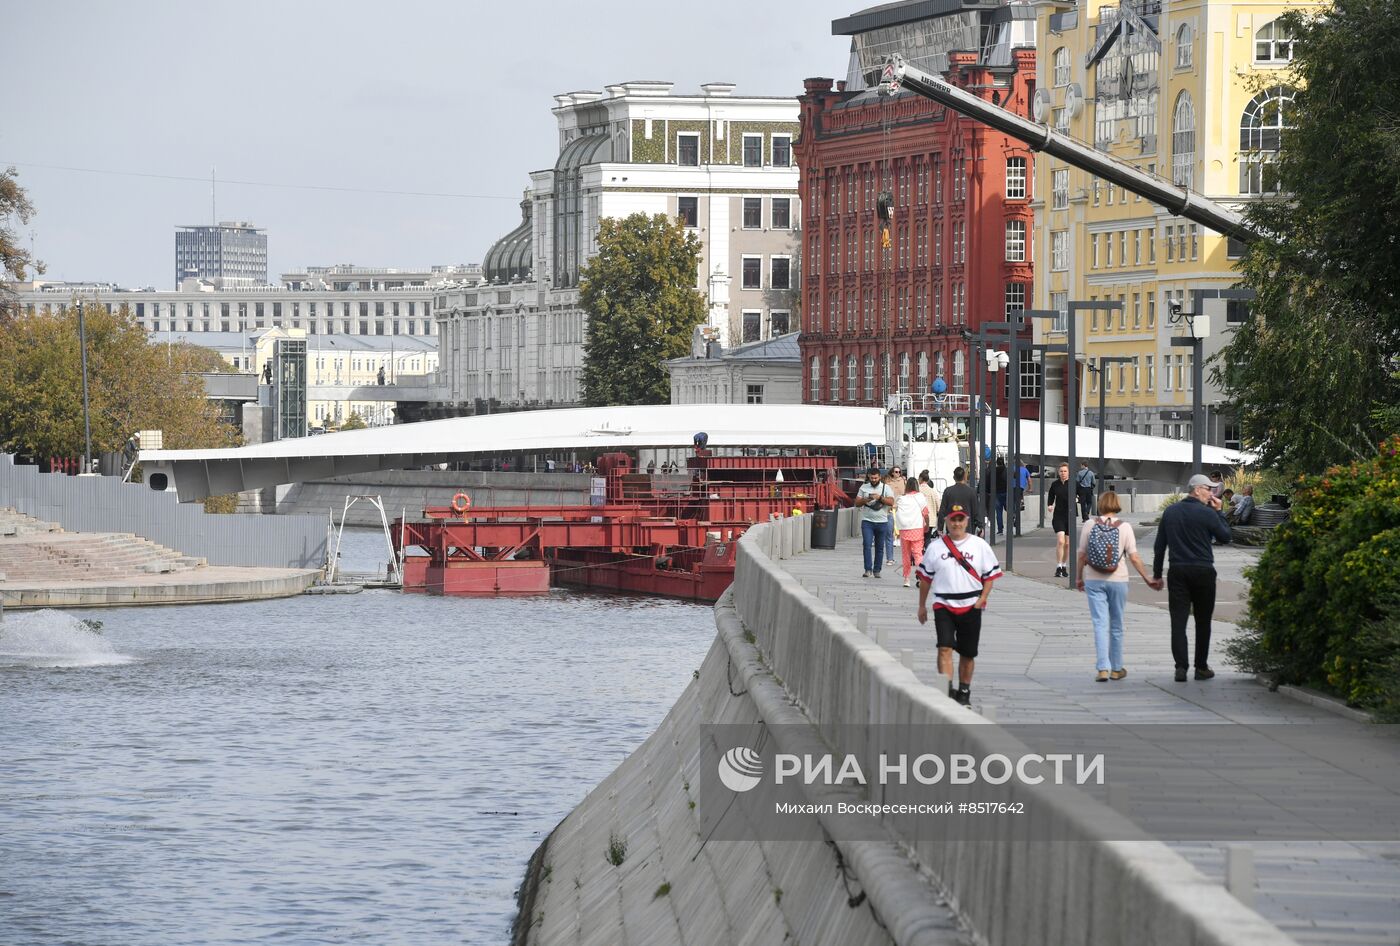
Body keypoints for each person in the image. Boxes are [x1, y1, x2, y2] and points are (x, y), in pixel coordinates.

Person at [916, 503, 1002, 706]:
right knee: (944, 647)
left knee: (967, 652)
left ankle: (964, 691)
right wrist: (922, 605)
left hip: (971, 604)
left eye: (960, 519)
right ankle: (945, 690)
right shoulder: (936, 547)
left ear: (966, 521)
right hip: (943, 604)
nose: (956, 524)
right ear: (946, 521)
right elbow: (926, 579)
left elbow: (990, 575)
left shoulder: (979, 546)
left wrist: (983, 598)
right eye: (953, 519)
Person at [1076, 490, 1163, 682]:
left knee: (1099, 624)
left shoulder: (1090, 524)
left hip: (1094, 579)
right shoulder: (1124, 527)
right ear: (1116, 504)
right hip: (1118, 579)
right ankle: (1116, 668)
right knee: (1116, 625)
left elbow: (1081, 554)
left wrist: (1078, 578)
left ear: (1100, 504)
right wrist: (1147, 578)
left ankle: (1102, 669)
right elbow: (1134, 557)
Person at [1153, 474, 1232, 682]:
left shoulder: (1170, 512)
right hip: (1203, 571)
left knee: (1178, 621)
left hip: (1178, 571)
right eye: (1209, 488)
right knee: (1203, 621)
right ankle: (1201, 667)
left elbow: (1160, 545)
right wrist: (1220, 512)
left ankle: (1180, 667)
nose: (1212, 493)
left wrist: (1156, 574)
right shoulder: (1208, 513)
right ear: (1197, 490)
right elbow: (1225, 536)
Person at [856, 466, 895, 578]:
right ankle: (868, 569)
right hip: (867, 521)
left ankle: (877, 569)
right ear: (869, 477)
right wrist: (866, 500)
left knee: (879, 547)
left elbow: (891, 502)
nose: (873, 480)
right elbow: (857, 502)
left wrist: (880, 498)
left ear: (879, 477)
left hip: (882, 521)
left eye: (876, 478)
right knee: (867, 545)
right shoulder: (864, 487)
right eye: (872, 478)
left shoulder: (886, 487)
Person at [894, 479, 930, 587]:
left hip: (904, 529)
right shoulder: (921, 498)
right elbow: (926, 514)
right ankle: (922, 576)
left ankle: (906, 579)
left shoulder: (901, 499)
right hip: (917, 529)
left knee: (906, 555)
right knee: (918, 554)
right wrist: (927, 525)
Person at [1046, 463, 1073, 577]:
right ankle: (1058, 566)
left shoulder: (1073, 484)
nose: (1063, 473)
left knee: (1067, 544)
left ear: (1069, 472)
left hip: (1070, 516)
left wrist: (1078, 499)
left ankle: (1064, 565)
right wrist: (1050, 504)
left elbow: (1083, 494)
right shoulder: (1055, 484)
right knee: (1061, 541)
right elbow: (1051, 495)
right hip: (1058, 516)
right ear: (1058, 472)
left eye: (1065, 471)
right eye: (1061, 471)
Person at [937, 466, 980, 535]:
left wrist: (940, 528)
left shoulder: (948, 491)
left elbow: (942, 510)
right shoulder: (971, 491)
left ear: (954, 478)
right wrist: (980, 526)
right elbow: (976, 511)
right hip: (967, 529)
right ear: (964, 477)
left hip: (952, 528)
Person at [885, 466, 907, 560]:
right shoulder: (888, 482)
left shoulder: (903, 481)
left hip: (901, 505)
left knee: (900, 522)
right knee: (892, 524)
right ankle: (894, 538)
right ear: (892, 473)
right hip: (891, 505)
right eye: (896, 472)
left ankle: (898, 538)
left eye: (899, 472)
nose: (898, 473)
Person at [994, 457, 1009, 535]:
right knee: (1009, 510)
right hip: (1006, 492)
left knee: (999, 512)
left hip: (997, 493)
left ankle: (1000, 529)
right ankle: (1010, 526)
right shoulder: (1006, 470)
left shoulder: (994, 471)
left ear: (997, 463)